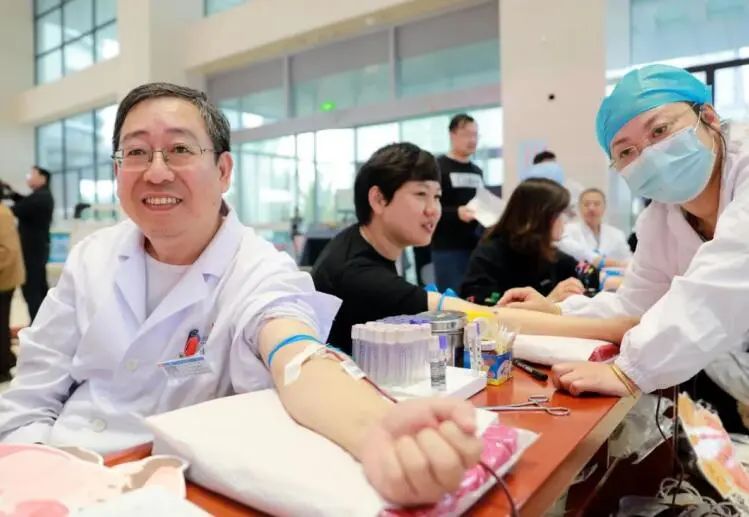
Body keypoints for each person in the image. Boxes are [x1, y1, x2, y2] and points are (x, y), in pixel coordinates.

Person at [0, 83, 493, 506]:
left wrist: (374, 429)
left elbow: (298, 355)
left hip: (164, 493)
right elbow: (31, 395)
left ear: (224, 170)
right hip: (50, 472)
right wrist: (38, 475)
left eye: (179, 149)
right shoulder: (91, 258)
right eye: (135, 153)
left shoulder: (259, 271)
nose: (156, 171)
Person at [499, 65, 749, 429]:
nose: (649, 155)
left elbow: (724, 281)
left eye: (660, 130)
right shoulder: (660, 219)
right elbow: (634, 306)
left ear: (708, 116)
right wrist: (558, 312)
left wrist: (630, 370)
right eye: (627, 151)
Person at [313, 143, 636, 355]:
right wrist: (609, 330)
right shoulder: (356, 270)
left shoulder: (362, 244)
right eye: (421, 195)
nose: (433, 210)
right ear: (378, 199)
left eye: (437, 197)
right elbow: (481, 314)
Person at [460, 178, 581, 305]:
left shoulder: (558, 258)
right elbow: (480, 308)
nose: (565, 221)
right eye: (559, 214)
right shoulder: (489, 256)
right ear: (538, 217)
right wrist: (549, 302)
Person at [430, 114, 484, 292]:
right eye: (467, 134)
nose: (472, 140)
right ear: (452, 135)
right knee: (451, 298)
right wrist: (456, 213)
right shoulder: (438, 167)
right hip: (447, 247)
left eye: (475, 135)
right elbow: (429, 207)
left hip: (475, 246)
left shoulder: (477, 171)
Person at [3, 167, 54, 322]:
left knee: (32, 289)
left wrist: (5, 199)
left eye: (31, 174)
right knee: (39, 287)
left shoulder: (41, 198)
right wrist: (11, 192)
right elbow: (24, 201)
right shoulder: (40, 196)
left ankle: (37, 324)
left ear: (43, 178)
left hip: (32, 251)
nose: (28, 177)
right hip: (37, 249)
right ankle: (43, 323)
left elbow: (17, 209)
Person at [558, 188, 632, 268]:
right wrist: (601, 261)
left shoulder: (617, 234)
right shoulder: (567, 229)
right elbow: (567, 247)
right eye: (586, 204)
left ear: (604, 207)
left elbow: (628, 259)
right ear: (579, 207)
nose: (591, 208)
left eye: (596, 204)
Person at [0, 204, 24, 383]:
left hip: (3, 280)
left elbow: (7, 251)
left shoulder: (2, 214)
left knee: (1, 325)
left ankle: (3, 368)